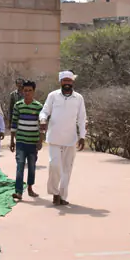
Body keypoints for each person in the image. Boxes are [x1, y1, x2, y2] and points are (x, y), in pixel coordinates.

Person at [40, 71, 87, 206]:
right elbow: (45, 110)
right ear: (60, 82)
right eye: (64, 81)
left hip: (71, 139)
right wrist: (43, 119)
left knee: (67, 169)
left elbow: (82, 118)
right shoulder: (53, 96)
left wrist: (82, 136)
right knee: (54, 165)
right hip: (54, 138)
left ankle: (62, 195)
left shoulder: (78, 98)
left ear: (72, 82)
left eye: (69, 81)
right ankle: (55, 192)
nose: (67, 83)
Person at [9, 80, 43, 201]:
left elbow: (42, 126)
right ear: (22, 91)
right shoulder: (18, 105)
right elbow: (14, 123)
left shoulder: (39, 107)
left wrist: (40, 141)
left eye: (30, 90)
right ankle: (18, 191)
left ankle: (30, 187)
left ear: (33, 91)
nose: (27, 93)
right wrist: (12, 140)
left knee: (32, 166)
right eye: (25, 91)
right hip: (21, 142)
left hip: (33, 142)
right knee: (20, 165)